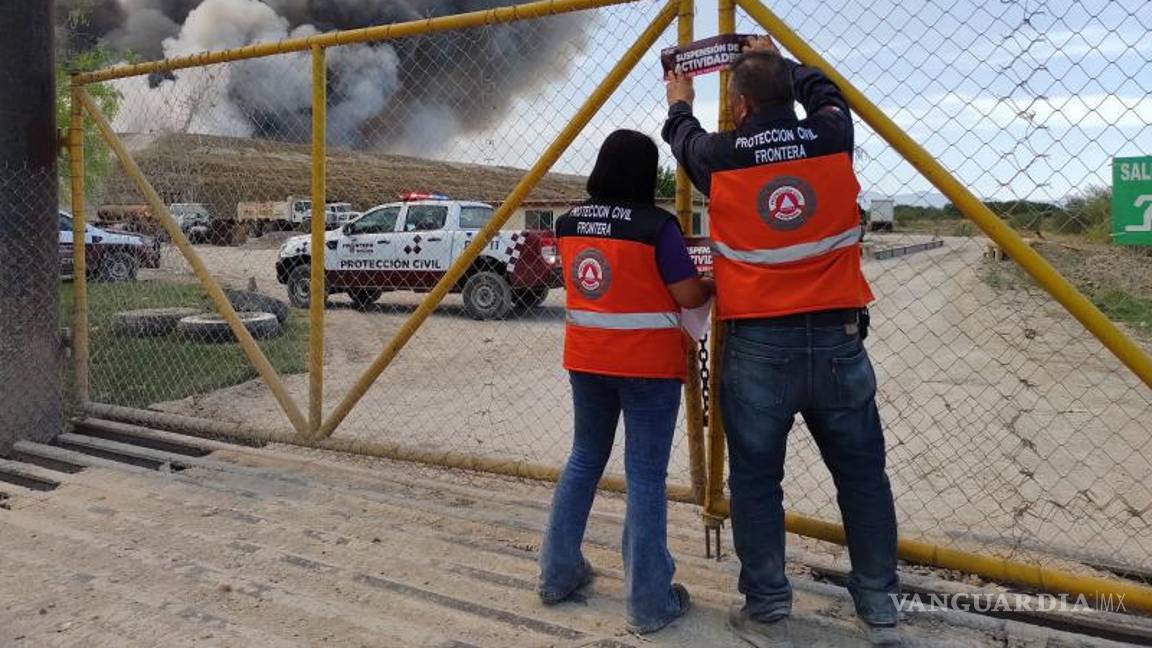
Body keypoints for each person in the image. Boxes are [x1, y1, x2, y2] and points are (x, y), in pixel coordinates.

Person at [662, 38, 902, 647]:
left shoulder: (721, 155)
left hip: (759, 347)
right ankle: (878, 606)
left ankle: (768, 610)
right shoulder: (830, 135)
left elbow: (682, 137)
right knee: (864, 478)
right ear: (785, 92)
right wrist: (780, 62)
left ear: (738, 106)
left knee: (757, 480)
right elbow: (827, 93)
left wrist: (680, 99)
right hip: (839, 340)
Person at [538, 129, 713, 634]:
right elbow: (685, 295)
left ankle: (557, 573)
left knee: (584, 459)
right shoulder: (657, 227)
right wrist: (711, 283)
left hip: (587, 361)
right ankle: (648, 602)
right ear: (643, 173)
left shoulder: (568, 223)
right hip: (647, 369)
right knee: (644, 476)